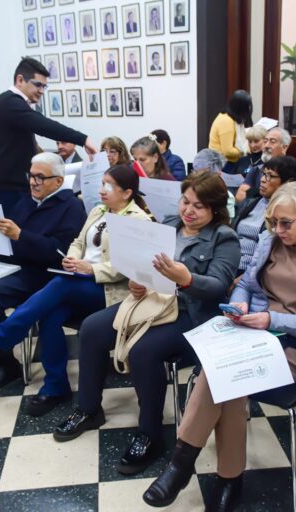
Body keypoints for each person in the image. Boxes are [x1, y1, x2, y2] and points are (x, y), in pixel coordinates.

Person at [143, 181, 296, 510]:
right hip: (249, 334)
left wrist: (272, 320)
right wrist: (239, 304)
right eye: (273, 222)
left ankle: (182, 466)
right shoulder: (270, 240)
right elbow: (245, 284)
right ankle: (228, 482)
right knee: (229, 380)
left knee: (221, 375)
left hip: (294, 348)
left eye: (286, 223)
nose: (277, 230)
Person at [54, 172, 241, 477]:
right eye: (185, 201)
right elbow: (143, 266)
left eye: (199, 206)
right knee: (92, 328)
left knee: (144, 351)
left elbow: (218, 286)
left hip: (190, 315)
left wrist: (187, 279)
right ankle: (88, 409)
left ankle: (150, 433)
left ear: (216, 210)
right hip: (151, 302)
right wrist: (138, 283)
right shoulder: (169, 225)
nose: (189, 210)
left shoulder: (224, 237)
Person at [0, 166, 152, 409]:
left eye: (109, 186)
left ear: (126, 193)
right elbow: (78, 241)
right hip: (80, 282)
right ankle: (55, 387)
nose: (101, 190)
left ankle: (1, 338)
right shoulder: (98, 210)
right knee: (51, 314)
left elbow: (126, 267)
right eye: (102, 183)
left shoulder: (138, 220)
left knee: (62, 284)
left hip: (112, 290)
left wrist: (89, 269)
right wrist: (72, 259)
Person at [0, 153, 86, 390]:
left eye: (41, 177)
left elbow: (60, 254)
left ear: (59, 181)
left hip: (43, 273)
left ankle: (4, 363)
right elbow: (1, 245)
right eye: (31, 176)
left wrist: (20, 235)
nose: (33, 182)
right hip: (13, 265)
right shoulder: (26, 201)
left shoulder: (71, 207)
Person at [0, 57, 95, 213]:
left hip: (14, 187)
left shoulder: (14, 103)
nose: (41, 91)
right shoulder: (9, 102)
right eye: (38, 85)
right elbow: (43, 125)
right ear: (20, 80)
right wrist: (83, 139)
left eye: (44, 86)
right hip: (7, 190)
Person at [233, 156, 296, 275]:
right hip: (231, 263)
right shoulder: (252, 203)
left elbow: (273, 254)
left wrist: (244, 277)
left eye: (270, 175)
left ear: (288, 182)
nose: (262, 180)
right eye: (263, 174)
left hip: (255, 271)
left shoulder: (287, 213)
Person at [235, 126, 290, 203]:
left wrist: (253, 193)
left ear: (284, 148)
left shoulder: (291, 170)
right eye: (265, 141)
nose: (266, 145)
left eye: (272, 141)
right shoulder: (256, 169)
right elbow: (240, 196)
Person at [209, 90, 253, 174]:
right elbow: (228, 151)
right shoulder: (227, 121)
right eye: (247, 106)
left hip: (230, 162)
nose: (249, 109)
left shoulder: (233, 118)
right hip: (223, 164)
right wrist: (245, 151)